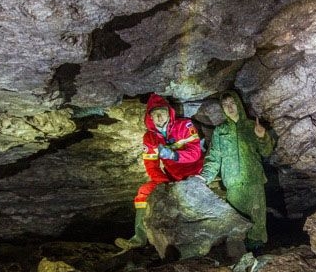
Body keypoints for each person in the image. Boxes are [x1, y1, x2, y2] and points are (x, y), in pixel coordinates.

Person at [115, 94, 204, 250]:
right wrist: (162, 183)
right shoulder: (150, 138)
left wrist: (173, 155)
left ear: (169, 112)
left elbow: (195, 153)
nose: (159, 116)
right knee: (144, 191)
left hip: (193, 173)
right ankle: (138, 239)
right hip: (170, 177)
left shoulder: (185, 126)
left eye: (161, 112)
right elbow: (151, 165)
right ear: (150, 117)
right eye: (154, 114)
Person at [198, 91, 274, 250]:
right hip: (233, 185)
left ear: (238, 104)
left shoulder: (251, 126)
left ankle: (258, 258)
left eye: (232, 103)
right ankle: (238, 259)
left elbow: (266, 151)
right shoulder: (221, 131)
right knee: (236, 223)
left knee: (257, 223)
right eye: (225, 105)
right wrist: (204, 178)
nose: (229, 107)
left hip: (254, 182)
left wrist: (262, 136)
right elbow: (214, 158)